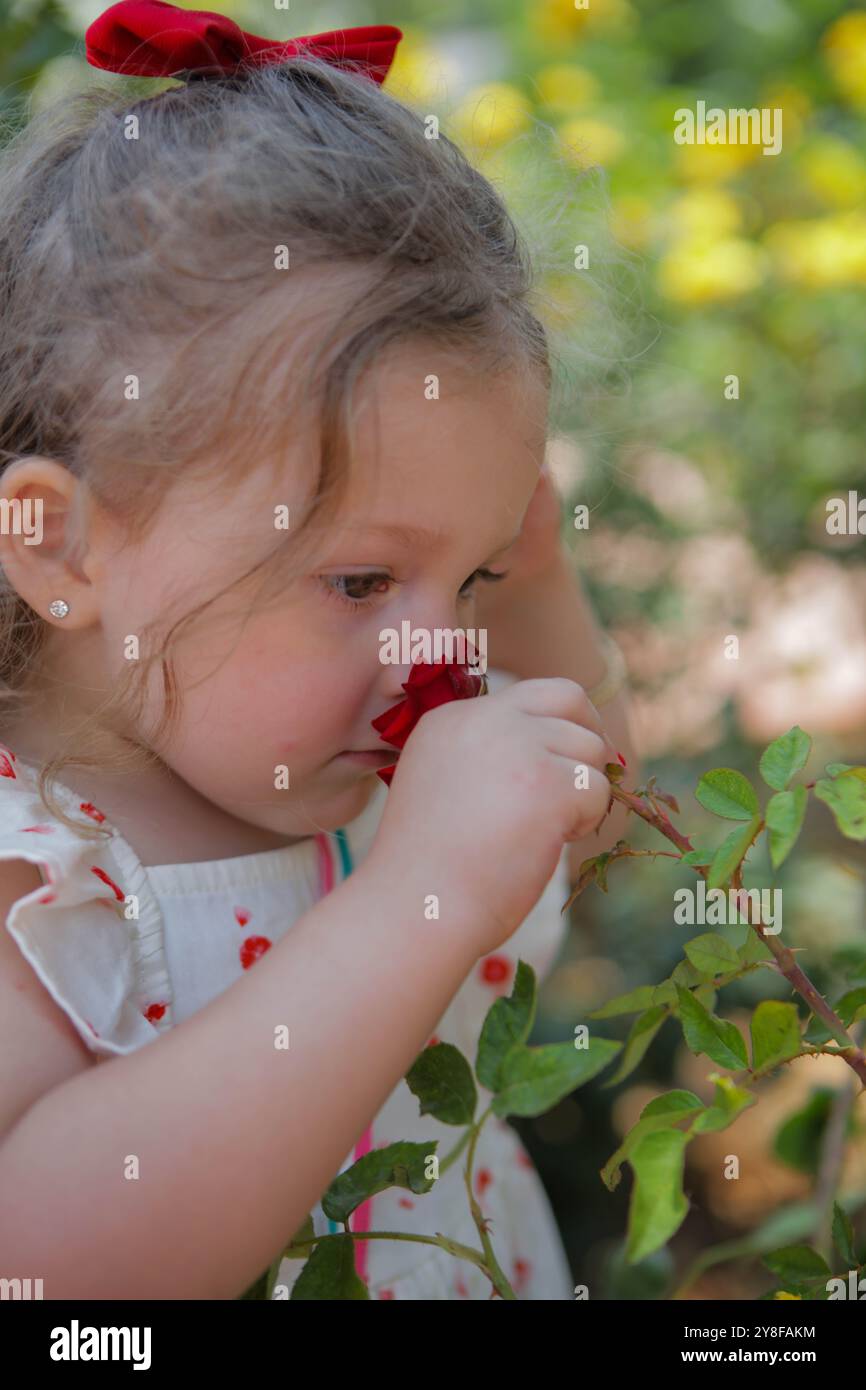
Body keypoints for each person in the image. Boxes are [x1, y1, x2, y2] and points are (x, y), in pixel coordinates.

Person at [0, 4, 635, 1300]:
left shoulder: (368, 759)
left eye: (473, 571)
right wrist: (422, 899)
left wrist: (542, 581)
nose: (445, 640)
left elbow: (595, 806)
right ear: (60, 549)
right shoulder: (41, 879)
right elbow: (48, 1265)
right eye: (358, 576)